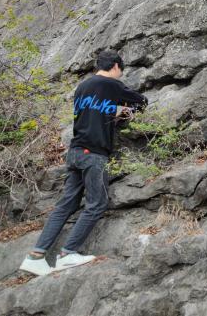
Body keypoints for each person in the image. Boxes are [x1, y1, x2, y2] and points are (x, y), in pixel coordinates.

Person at [19, 50, 148, 276]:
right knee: (97, 203)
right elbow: (142, 101)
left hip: (76, 151)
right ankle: (67, 253)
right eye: (121, 70)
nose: (120, 74)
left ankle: (35, 257)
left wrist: (115, 113)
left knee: (66, 205)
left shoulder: (82, 87)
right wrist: (126, 114)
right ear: (115, 66)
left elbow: (94, 112)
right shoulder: (112, 84)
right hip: (94, 153)